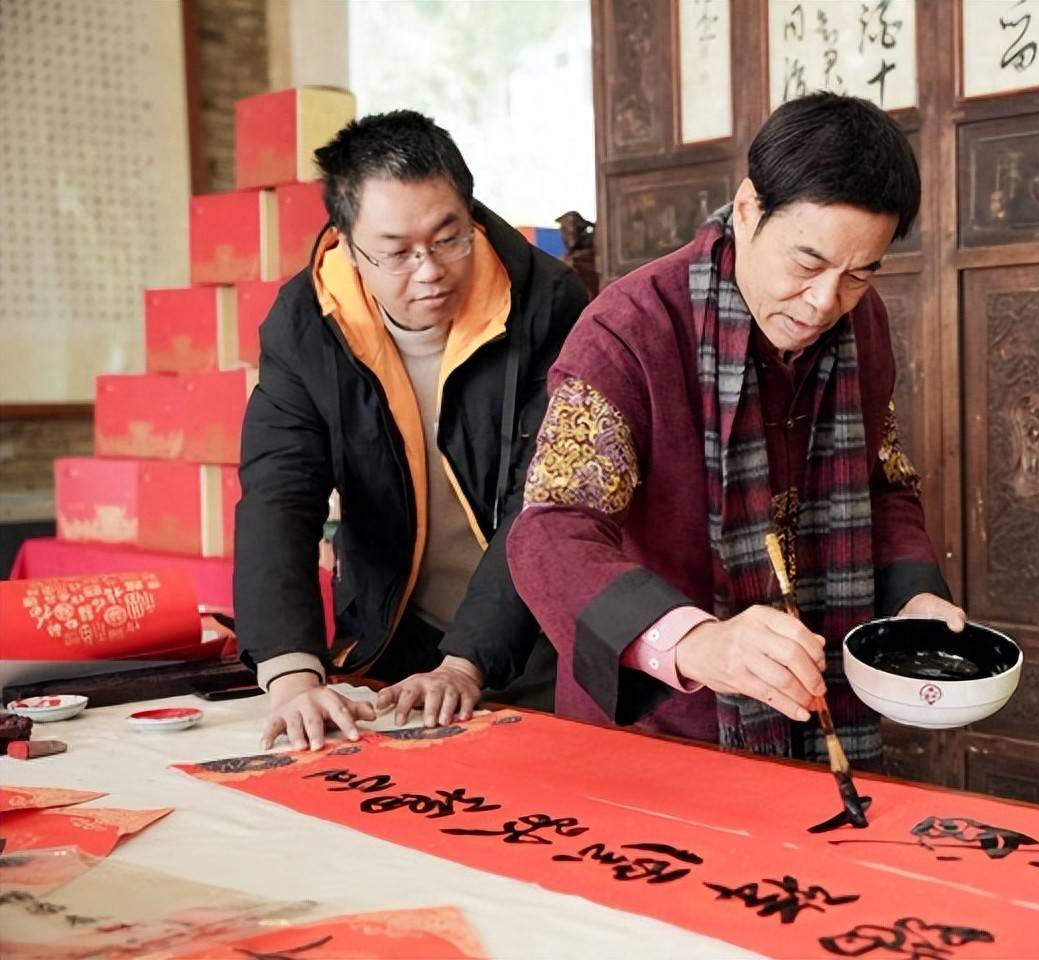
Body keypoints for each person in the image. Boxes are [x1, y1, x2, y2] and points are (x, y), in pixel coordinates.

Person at [506, 93, 964, 768]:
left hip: (818, 698)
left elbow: (882, 480)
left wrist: (913, 598)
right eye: (806, 264)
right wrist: (696, 642)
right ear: (748, 209)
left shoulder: (861, 324)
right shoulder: (630, 330)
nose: (824, 303)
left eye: (858, 275)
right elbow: (552, 529)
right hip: (660, 725)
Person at [235, 110, 589, 751]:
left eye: (449, 239)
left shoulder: (547, 300)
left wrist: (466, 662)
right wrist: (291, 678)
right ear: (347, 244)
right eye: (397, 252)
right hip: (396, 629)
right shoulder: (306, 323)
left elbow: (541, 494)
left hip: (538, 630)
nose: (429, 270)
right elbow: (279, 493)